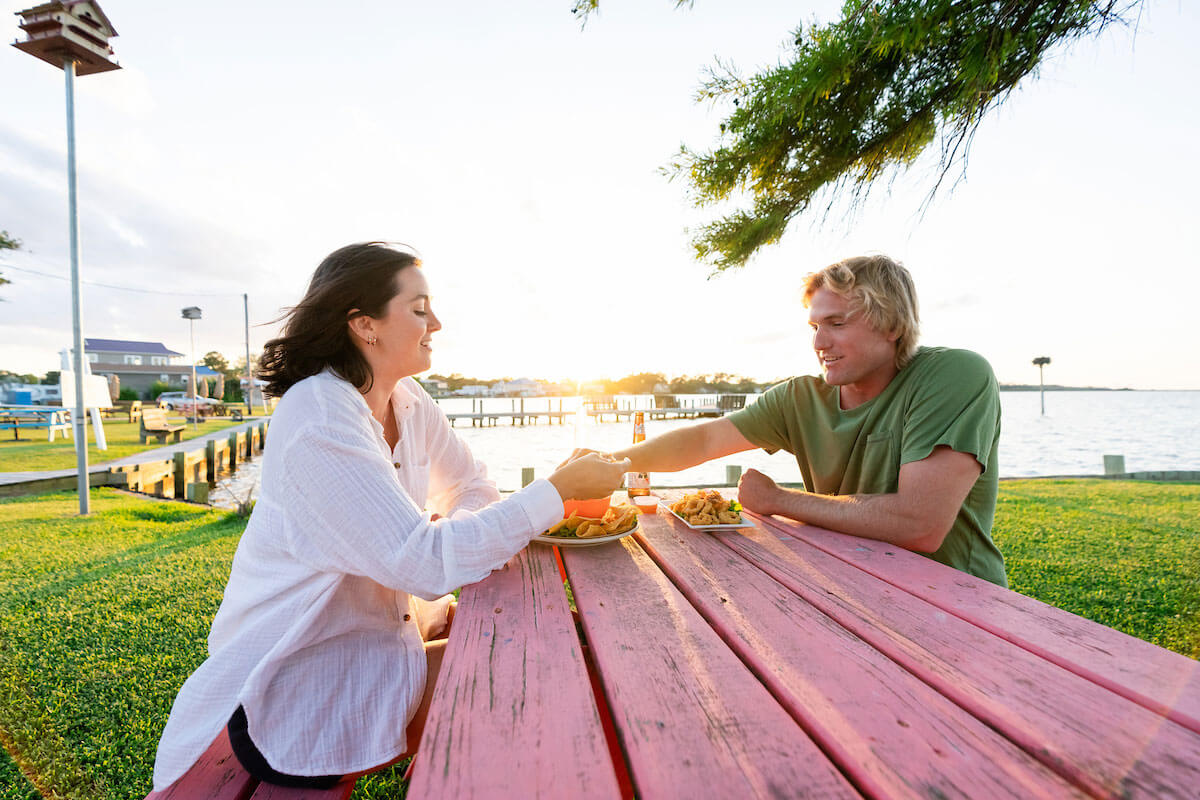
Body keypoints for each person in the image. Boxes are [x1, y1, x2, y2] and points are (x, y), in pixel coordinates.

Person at [151, 242, 628, 791]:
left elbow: (472, 486)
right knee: (549, 670)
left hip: (375, 649)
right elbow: (424, 565)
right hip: (296, 687)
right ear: (364, 325)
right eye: (420, 308)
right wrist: (554, 493)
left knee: (544, 655)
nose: (438, 323)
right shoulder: (319, 419)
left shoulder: (407, 399)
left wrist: (453, 539)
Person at [593, 254, 1006, 586]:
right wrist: (609, 463)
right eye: (814, 326)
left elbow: (920, 525)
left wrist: (778, 501)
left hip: (957, 602)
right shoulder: (801, 397)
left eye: (836, 324)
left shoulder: (954, 375)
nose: (818, 343)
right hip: (852, 588)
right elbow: (702, 441)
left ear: (893, 326)